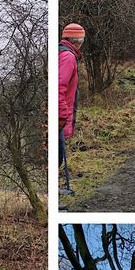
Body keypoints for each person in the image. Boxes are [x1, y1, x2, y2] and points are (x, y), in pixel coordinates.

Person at [58, 23, 84, 195]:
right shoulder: (68, 57)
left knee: (57, 155)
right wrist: (62, 116)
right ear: (79, 40)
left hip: (62, 114)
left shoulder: (63, 53)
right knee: (57, 156)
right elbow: (59, 86)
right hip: (61, 116)